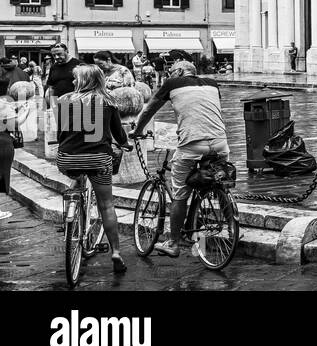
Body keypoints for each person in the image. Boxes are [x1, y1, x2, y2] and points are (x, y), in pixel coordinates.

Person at [131, 55, 230, 258]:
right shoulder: (212, 83)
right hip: (220, 142)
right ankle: (232, 227)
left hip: (192, 144)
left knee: (180, 193)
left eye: (171, 72)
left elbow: (149, 109)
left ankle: (173, 243)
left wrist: (137, 130)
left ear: (177, 73)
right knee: (220, 184)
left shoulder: (172, 83)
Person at [55, 64, 131, 274]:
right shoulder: (108, 101)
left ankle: (72, 211)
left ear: (82, 81)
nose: (72, 82)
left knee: (76, 176)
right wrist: (125, 143)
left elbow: (62, 133)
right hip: (98, 159)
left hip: (67, 159)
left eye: (75, 78)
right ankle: (116, 252)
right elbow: (119, 135)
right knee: (106, 205)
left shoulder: (63, 100)